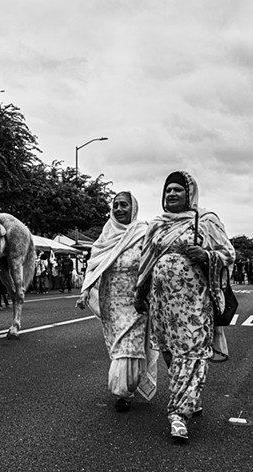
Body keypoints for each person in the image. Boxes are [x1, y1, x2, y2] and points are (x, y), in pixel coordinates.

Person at [134, 171, 235, 442]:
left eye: (178, 190)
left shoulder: (206, 221)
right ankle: (190, 396)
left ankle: (178, 414)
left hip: (194, 303)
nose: (172, 194)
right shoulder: (156, 224)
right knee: (169, 350)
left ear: (190, 193)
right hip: (163, 303)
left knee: (190, 353)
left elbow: (228, 253)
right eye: (168, 190)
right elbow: (146, 261)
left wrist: (206, 255)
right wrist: (140, 293)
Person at [76, 192, 157, 412]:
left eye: (124, 205)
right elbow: (94, 265)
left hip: (136, 301)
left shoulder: (143, 233)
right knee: (118, 345)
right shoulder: (106, 235)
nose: (119, 209)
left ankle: (124, 392)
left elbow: (153, 266)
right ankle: (129, 385)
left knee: (128, 345)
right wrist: (85, 291)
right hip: (111, 301)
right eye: (116, 205)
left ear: (134, 208)